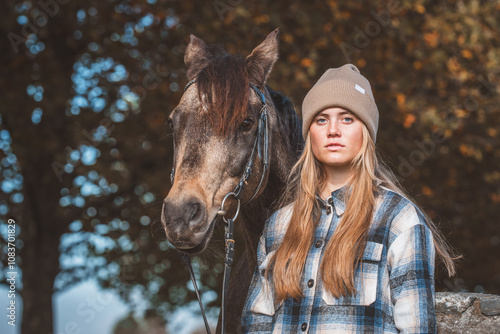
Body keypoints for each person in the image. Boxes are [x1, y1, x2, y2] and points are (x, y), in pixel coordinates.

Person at [241, 64, 457, 333]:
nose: (333, 130)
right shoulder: (278, 226)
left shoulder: (399, 220)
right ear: (310, 134)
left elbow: (417, 327)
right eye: (321, 120)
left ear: (365, 132)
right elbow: (257, 324)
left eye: (347, 118)